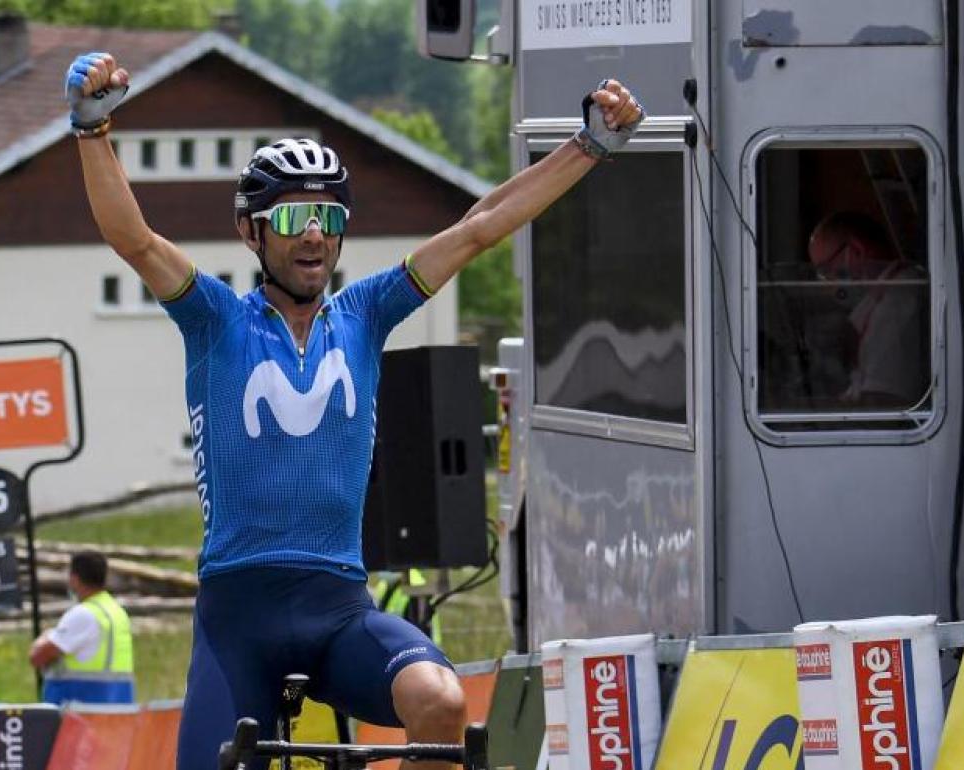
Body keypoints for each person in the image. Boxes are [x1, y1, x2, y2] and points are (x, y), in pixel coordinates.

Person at [65, 51, 643, 769]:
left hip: (338, 608)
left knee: (441, 702)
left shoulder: (366, 313)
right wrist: (93, 131)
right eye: (294, 217)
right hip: (238, 618)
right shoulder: (215, 319)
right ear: (252, 232)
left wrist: (587, 146)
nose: (315, 234)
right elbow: (135, 239)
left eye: (329, 217)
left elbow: (480, 227)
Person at [807, 211, 929, 408]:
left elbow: (883, 405)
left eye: (825, 271)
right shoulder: (878, 302)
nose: (826, 286)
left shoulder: (897, 304)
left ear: (856, 251)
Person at [28, 550, 135, 705]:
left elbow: (38, 657)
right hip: (117, 707)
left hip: (79, 707)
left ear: (74, 579)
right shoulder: (116, 611)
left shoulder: (82, 614)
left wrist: (45, 636)